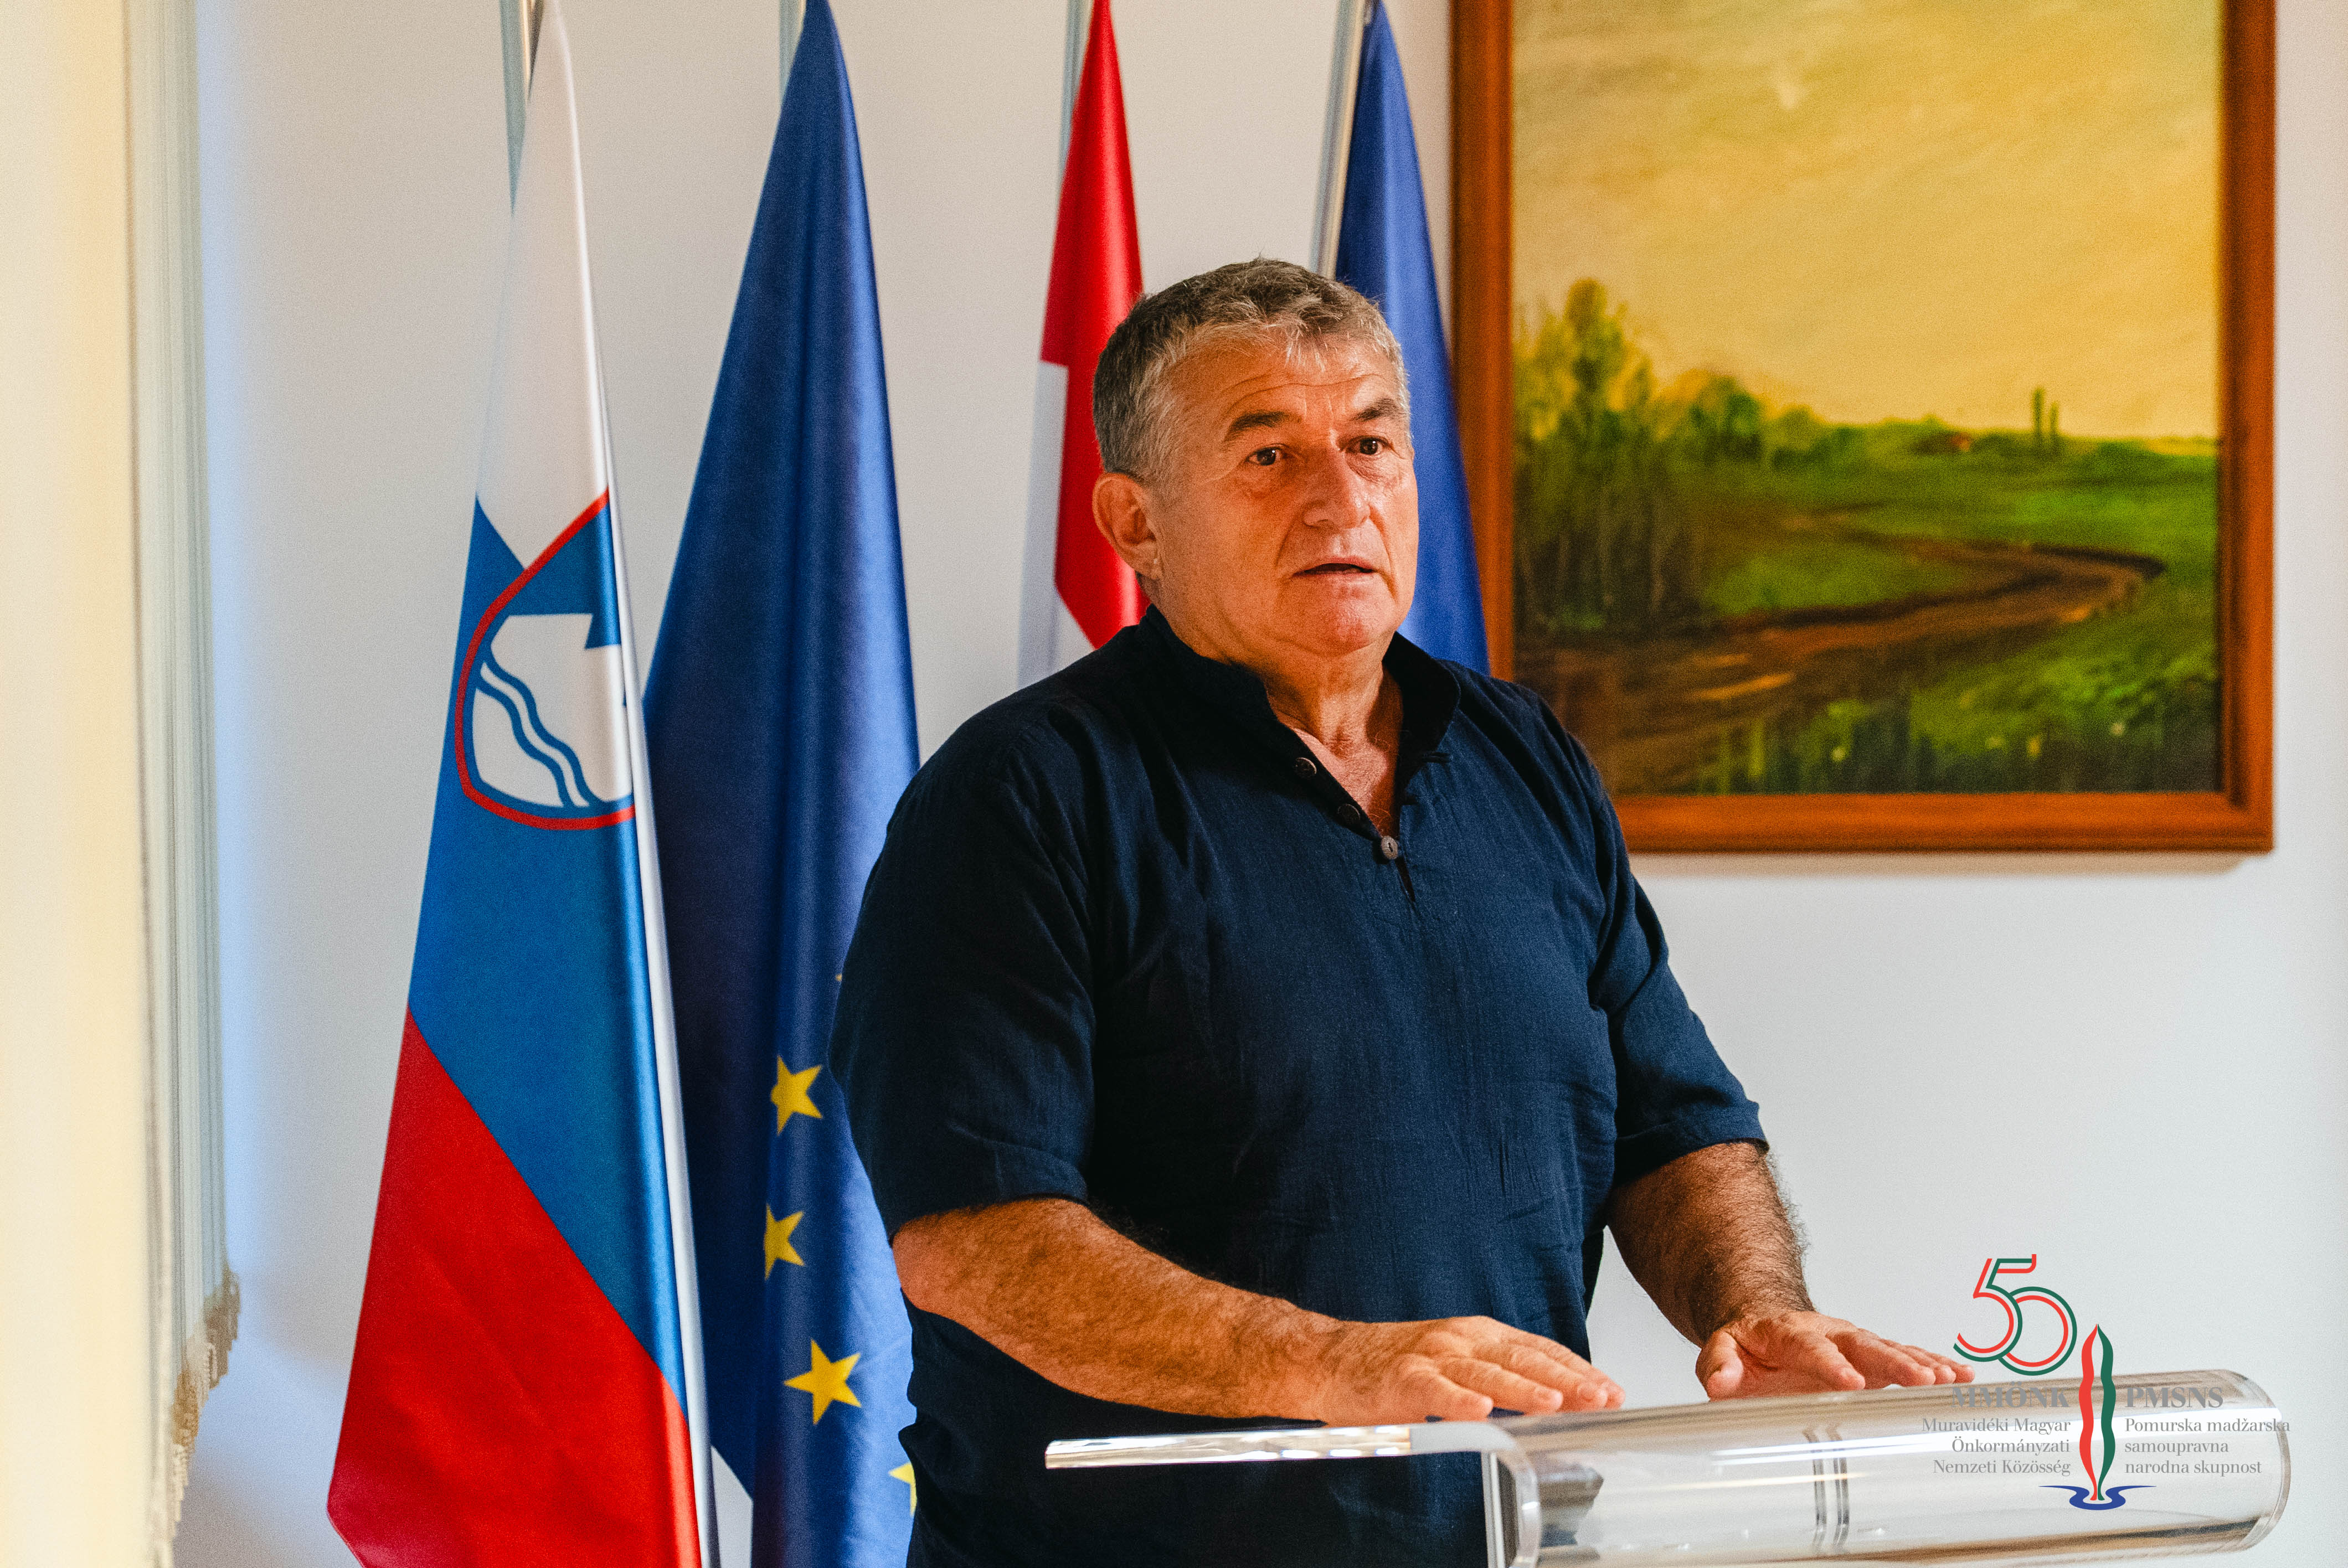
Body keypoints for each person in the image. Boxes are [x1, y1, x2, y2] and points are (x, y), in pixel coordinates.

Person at [831, 259, 1966, 1568]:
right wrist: (1327, 1363)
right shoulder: (1018, 796)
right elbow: (975, 1242)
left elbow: (1671, 1126)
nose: (1341, 497)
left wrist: (1753, 1309)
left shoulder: (1523, 757)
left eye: (1370, 443)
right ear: (1134, 523)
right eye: (1267, 455)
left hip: (1516, 1540)